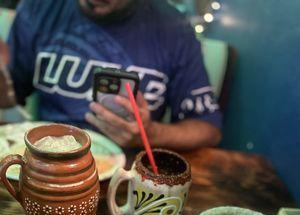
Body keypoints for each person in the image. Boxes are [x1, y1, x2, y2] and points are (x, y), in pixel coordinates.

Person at [0, 0, 222, 151]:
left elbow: (208, 129)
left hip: (127, 170)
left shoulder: (173, 27)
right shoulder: (39, 7)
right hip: (45, 156)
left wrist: (151, 133)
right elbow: (11, 97)